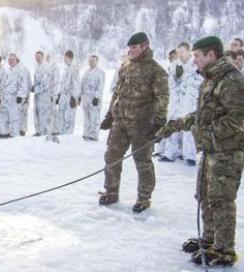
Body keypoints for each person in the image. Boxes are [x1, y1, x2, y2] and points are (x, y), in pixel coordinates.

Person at [156, 36, 244, 266]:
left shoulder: (231, 81)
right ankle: (210, 240)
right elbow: (202, 117)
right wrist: (173, 126)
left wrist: (204, 135)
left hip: (227, 153)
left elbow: (235, 122)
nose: (194, 61)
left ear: (211, 55)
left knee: (222, 200)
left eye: (197, 56)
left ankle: (224, 250)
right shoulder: (211, 80)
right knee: (205, 196)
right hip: (211, 151)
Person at [99, 32, 169, 213]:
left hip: (142, 125)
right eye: (129, 48)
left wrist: (159, 123)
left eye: (135, 47)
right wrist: (109, 115)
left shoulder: (156, 70)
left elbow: (163, 98)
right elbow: (117, 93)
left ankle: (144, 198)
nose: (131, 51)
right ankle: (111, 191)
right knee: (111, 156)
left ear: (145, 46)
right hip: (121, 122)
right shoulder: (125, 67)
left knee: (143, 162)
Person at [161, 42, 202, 165]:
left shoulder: (196, 65)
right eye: (178, 52)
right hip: (176, 101)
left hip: (189, 101)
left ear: (188, 51)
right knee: (172, 125)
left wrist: (185, 78)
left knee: (188, 128)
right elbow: (170, 84)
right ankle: (169, 153)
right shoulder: (174, 65)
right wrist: (176, 79)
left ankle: (190, 156)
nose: (180, 54)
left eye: (182, 51)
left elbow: (201, 81)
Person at [0, 54, 29, 139]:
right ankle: (5, 132)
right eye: (9, 60)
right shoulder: (9, 70)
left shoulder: (21, 70)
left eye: (12, 59)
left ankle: (16, 134)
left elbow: (24, 83)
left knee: (15, 117)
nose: (10, 61)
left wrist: (21, 95)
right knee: (5, 115)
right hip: (7, 96)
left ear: (16, 60)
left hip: (15, 97)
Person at [79, 55, 106, 141]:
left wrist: (96, 97)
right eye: (90, 61)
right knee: (86, 117)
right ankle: (86, 133)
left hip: (94, 98)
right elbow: (82, 85)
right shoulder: (86, 72)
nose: (91, 62)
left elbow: (100, 86)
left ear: (97, 61)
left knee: (94, 117)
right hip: (86, 98)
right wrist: (79, 96)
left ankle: (94, 135)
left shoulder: (100, 72)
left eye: (93, 61)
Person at [55, 50, 80, 137]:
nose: (64, 59)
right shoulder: (66, 68)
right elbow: (62, 83)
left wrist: (74, 97)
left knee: (69, 117)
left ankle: (68, 135)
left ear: (69, 57)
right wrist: (59, 94)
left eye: (65, 58)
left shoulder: (74, 68)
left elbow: (76, 84)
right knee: (61, 115)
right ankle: (61, 133)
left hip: (70, 96)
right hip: (63, 95)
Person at [31, 50, 55, 138]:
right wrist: (33, 86)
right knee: (36, 113)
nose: (37, 58)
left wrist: (36, 89)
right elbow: (36, 79)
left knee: (44, 114)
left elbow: (46, 84)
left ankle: (44, 132)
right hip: (37, 95)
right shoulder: (37, 66)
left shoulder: (46, 67)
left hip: (44, 95)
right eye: (36, 56)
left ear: (42, 57)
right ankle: (38, 131)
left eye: (39, 56)